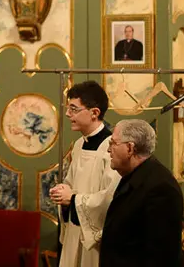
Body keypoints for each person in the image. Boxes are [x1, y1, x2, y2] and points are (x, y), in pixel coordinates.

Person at [49, 80, 120, 267]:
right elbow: (72, 183)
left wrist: (73, 199)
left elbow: (110, 197)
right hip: (75, 230)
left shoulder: (110, 148)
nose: (67, 114)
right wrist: (63, 191)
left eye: (73, 109)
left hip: (94, 241)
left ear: (94, 113)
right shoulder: (79, 144)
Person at [100, 119, 183, 267]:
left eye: (113, 143)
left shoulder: (160, 188)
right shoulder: (134, 176)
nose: (108, 149)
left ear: (130, 148)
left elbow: (161, 256)